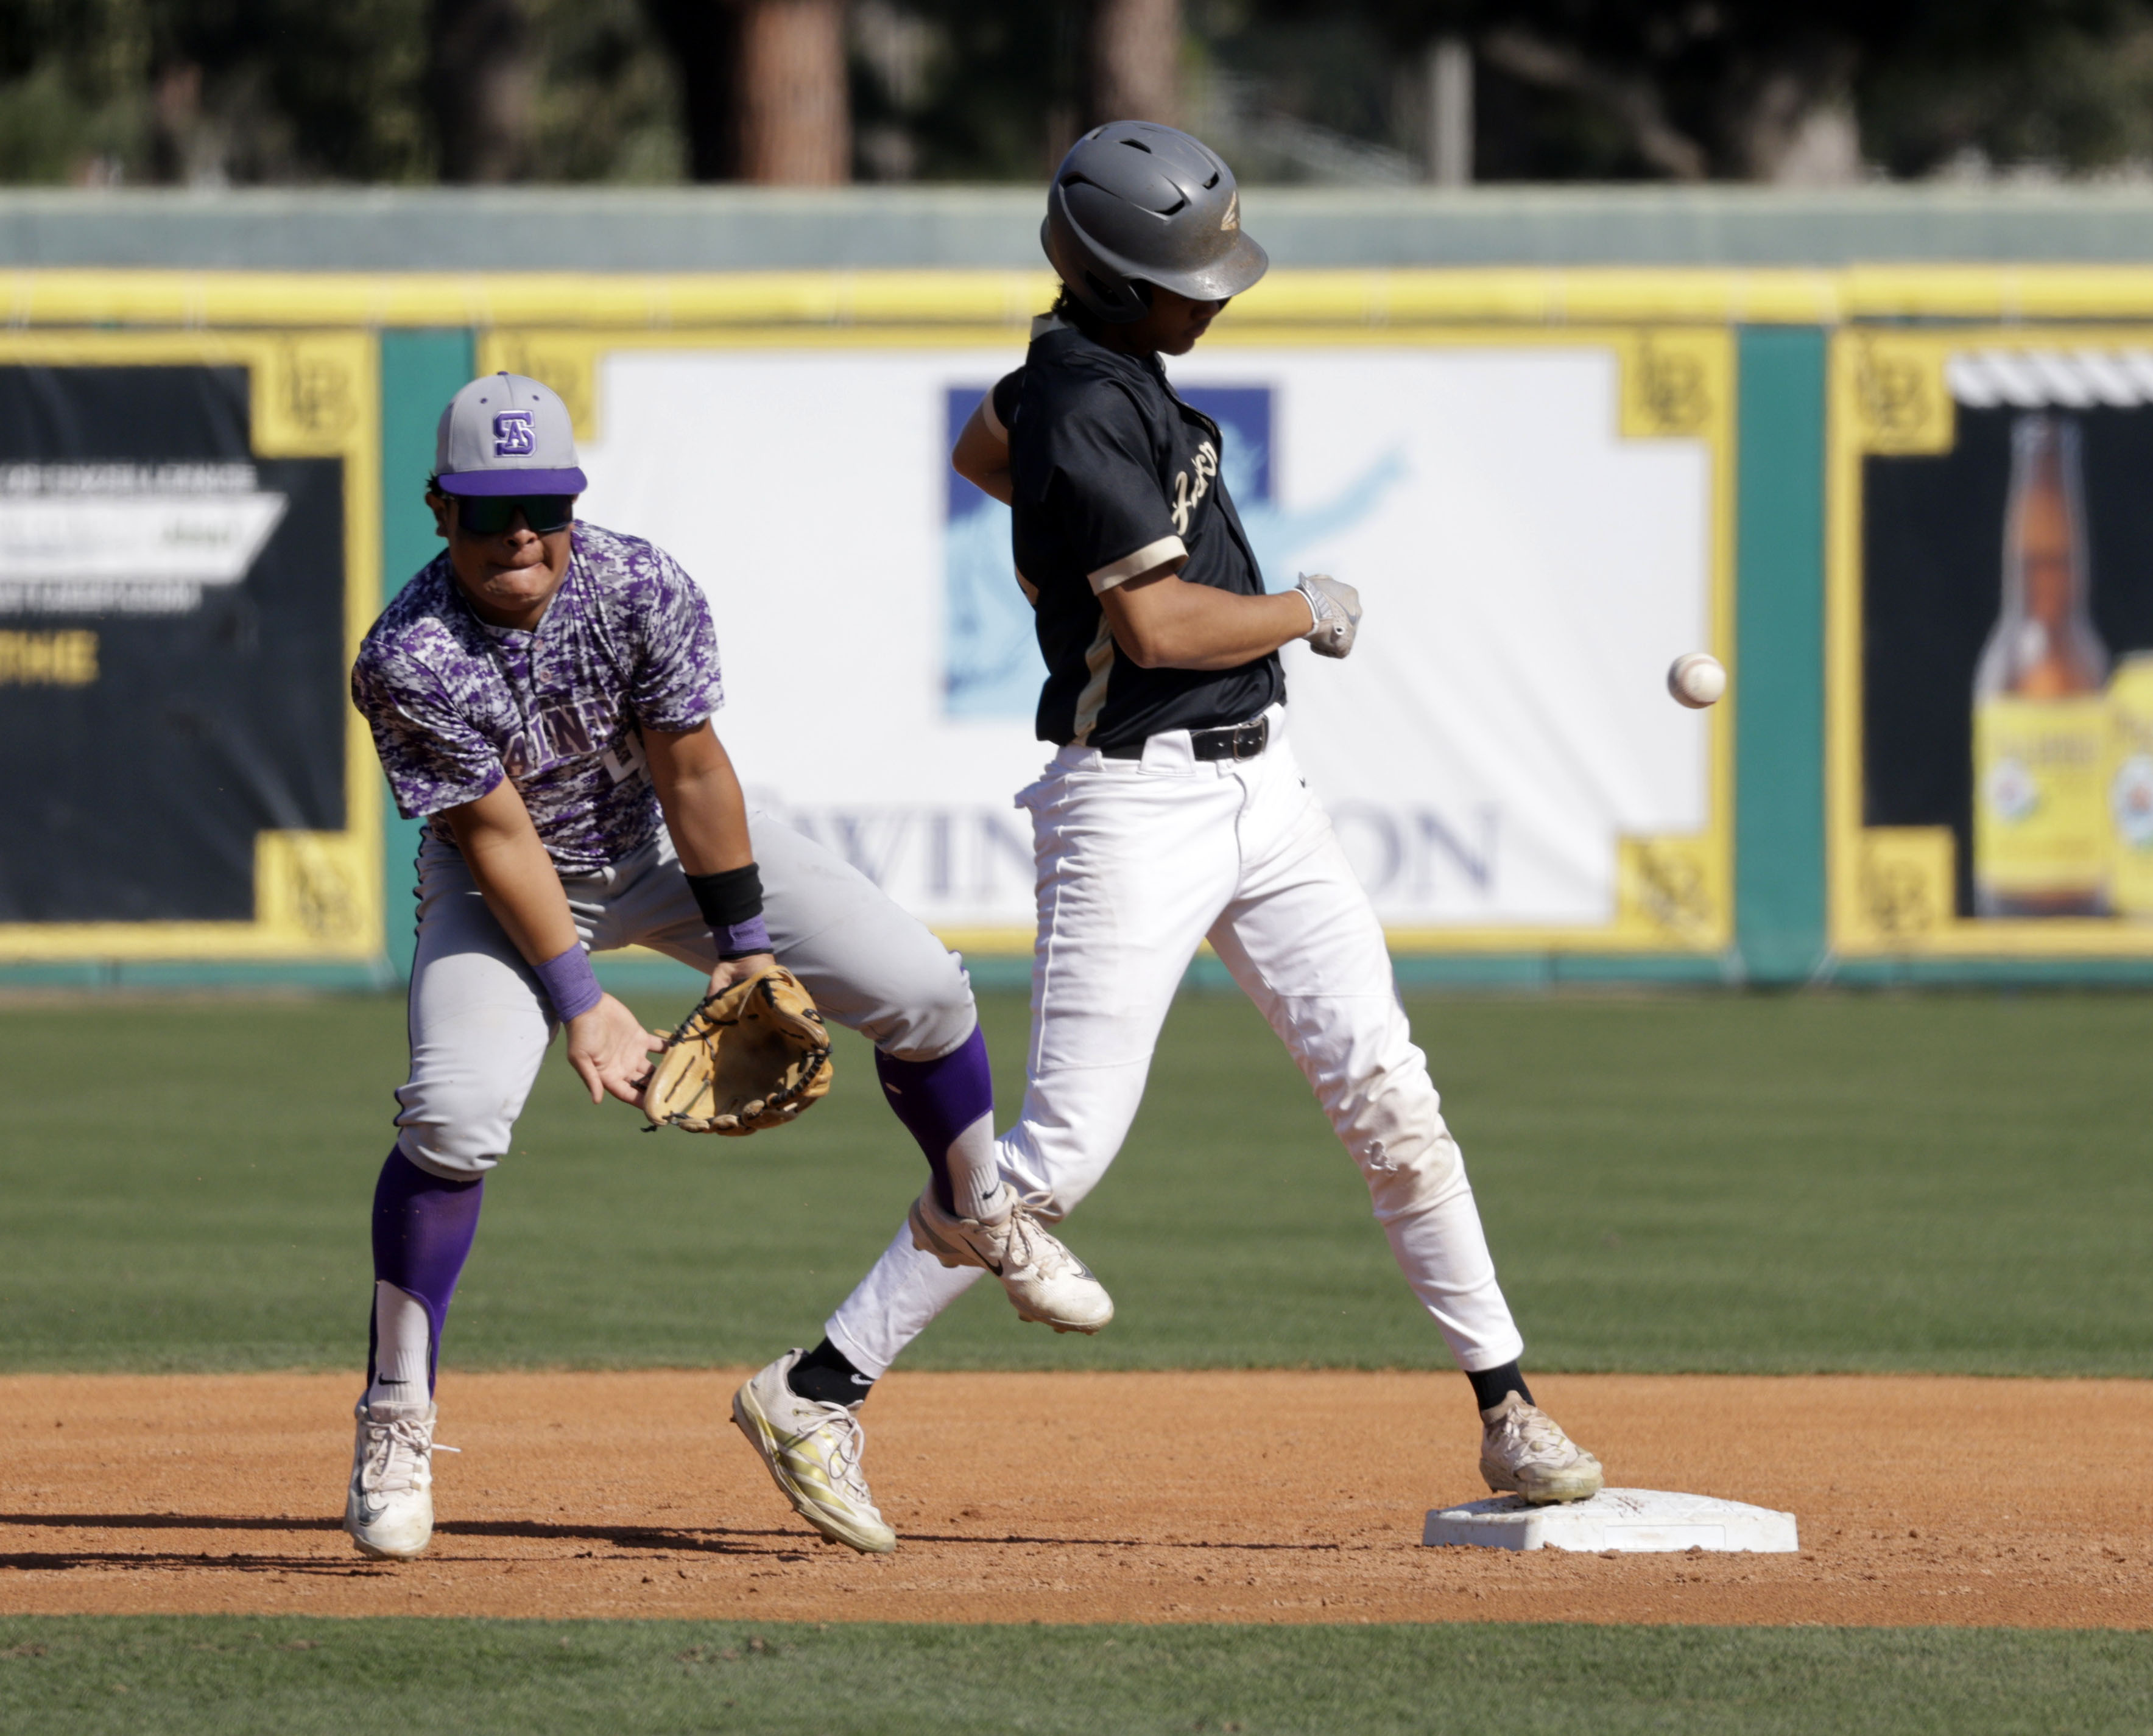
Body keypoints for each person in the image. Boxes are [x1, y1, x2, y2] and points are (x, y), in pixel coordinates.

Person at [786, 121, 1603, 1534]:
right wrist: (1308, 608)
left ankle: (1507, 1408)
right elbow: (1158, 626)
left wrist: (1054, 498)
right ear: (1107, 282)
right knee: (1056, 1154)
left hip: (1263, 791)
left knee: (1390, 1098)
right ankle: (817, 1389)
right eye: (1188, 273)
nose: (1217, 290)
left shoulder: (1084, 387)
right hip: (1138, 802)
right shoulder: (1088, 400)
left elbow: (992, 442)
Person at [342, 371, 1108, 1562]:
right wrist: (583, 1006)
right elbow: (497, 837)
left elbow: (693, 771)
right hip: (503, 886)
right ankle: (395, 1414)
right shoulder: (408, 653)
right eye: (493, 510)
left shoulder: (637, 585)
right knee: (454, 1119)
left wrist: (746, 951)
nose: (523, 534)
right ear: (441, 509)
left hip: (653, 839)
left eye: (544, 504)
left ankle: (982, 1209)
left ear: (574, 505)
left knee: (927, 991)